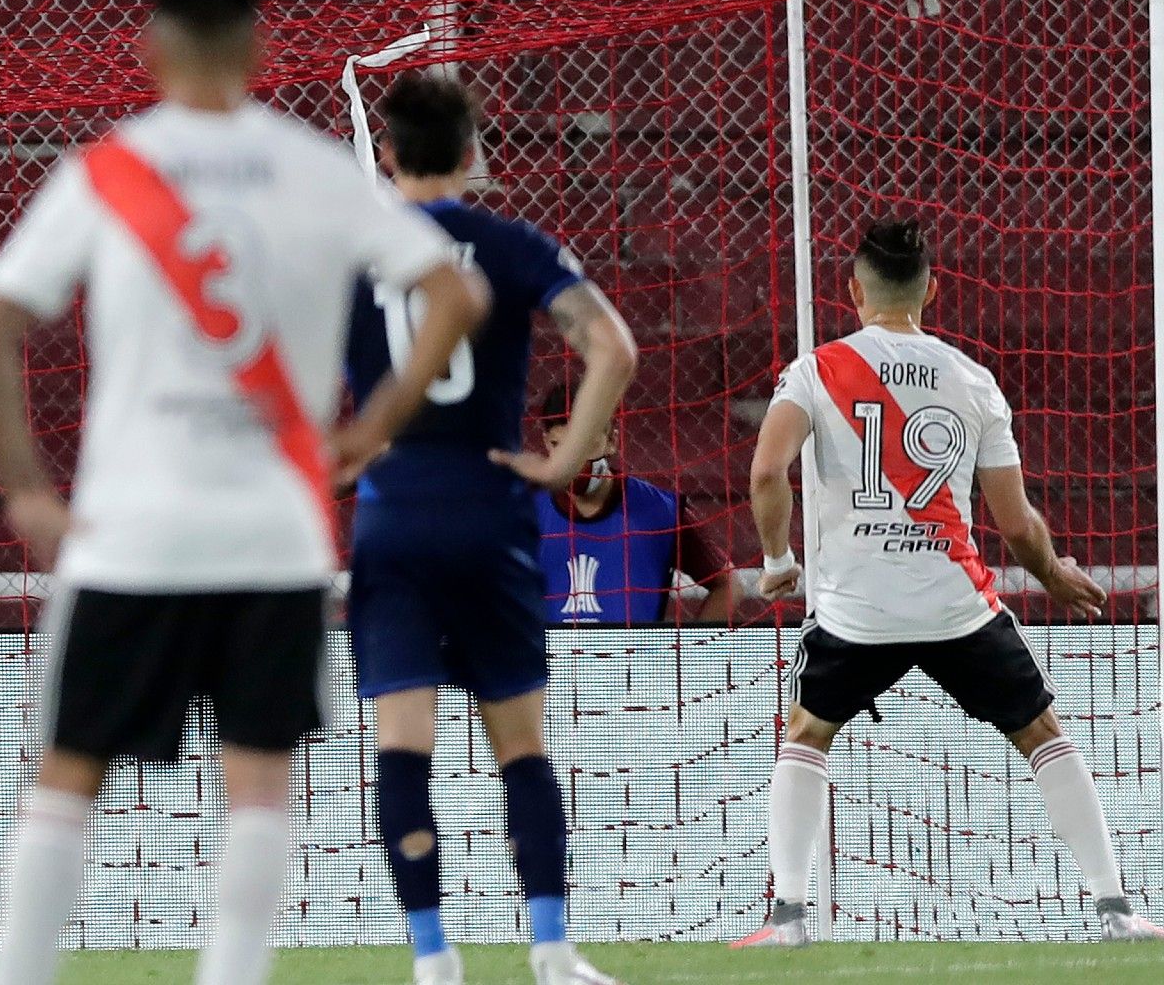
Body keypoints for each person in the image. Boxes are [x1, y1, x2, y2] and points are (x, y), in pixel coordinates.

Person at [0, 0, 485, 985]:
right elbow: (453, 293)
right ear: (260, 52)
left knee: (66, 783)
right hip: (273, 535)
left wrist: (26, 490)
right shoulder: (319, 168)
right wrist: (370, 430)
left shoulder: (106, 171)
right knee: (257, 789)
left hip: (130, 534)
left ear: (151, 50)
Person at [737, 220, 1161, 946]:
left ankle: (790, 919)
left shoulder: (816, 369)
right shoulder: (973, 380)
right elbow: (1017, 522)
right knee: (1043, 733)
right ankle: (1116, 909)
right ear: (934, 288)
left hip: (856, 613)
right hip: (954, 605)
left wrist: (777, 560)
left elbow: (767, 472)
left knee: (805, 735)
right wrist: (1056, 575)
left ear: (851, 290)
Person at [344, 73, 636, 985]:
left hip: (392, 515)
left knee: (403, 742)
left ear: (384, 154)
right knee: (520, 744)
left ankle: (433, 958)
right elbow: (614, 350)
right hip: (491, 508)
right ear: (474, 153)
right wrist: (560, 462)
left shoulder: (350, 250)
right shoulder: (514, 246)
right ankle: (550, 948)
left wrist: (341, 450)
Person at [529, 383, 736, 624]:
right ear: (546, 443)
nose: (573, 461)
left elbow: (729, 585)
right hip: (544, 660)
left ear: (612, 441)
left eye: (586, 444)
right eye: (560, 446)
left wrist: (691, 655)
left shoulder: (661, 510)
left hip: (633, 660)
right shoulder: (524, 511)